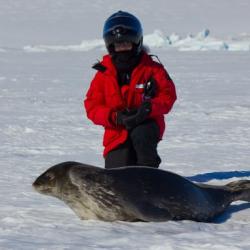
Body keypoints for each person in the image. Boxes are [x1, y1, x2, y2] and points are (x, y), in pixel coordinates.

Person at [84, 11, 177, 169]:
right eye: (118, 45)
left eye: (126, 44)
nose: (123, 48)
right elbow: (92, 106)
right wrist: (115, 117)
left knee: (142, 135)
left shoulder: (152, 69)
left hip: (146, 125)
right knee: (118, 172)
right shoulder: (104, 74)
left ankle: (150, 176)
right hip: (117, 132)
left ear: (136, 43)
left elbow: (168, 96)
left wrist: (148, 108)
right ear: (111, 46)